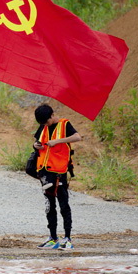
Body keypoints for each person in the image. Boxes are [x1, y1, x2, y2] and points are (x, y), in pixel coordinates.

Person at [33, 104, 82, 250]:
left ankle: (67, 238)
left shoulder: (64, 124)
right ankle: (53, 238)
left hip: (59, 171)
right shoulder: (43, 126)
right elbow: (37, 142)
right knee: (49, 206)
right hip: (45, 171)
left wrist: (57, 141)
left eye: (46, 122)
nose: (45, 125)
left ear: (53, 115)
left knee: (63, 204)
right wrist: (37, 146)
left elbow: (78, 137)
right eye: (43, 124)